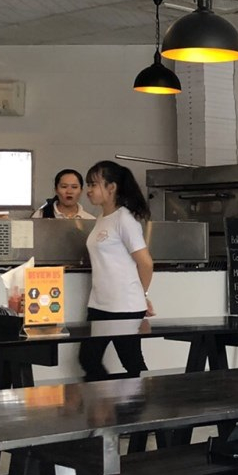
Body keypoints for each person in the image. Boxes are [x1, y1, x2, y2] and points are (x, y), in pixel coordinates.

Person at [78, 160, 154, 381]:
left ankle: (139, 400)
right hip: (100, 304)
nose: (89, 190)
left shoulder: (124, 220)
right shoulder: (102, 219)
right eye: (88, 185)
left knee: (131, 363)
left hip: (124, 305)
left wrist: (142, 295)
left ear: (111, 187)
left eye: (94, 185)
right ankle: (112, 400)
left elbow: (146, 263)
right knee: (89, 359)